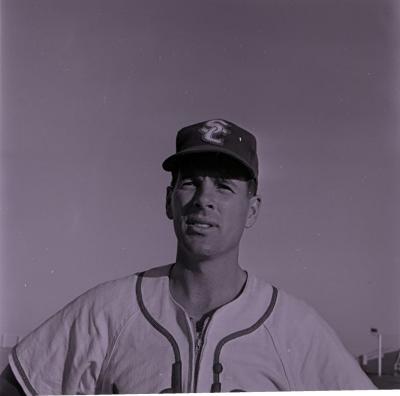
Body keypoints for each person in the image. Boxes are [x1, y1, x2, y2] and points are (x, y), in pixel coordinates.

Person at [0, 119, 376, 394]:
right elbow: (17, 384)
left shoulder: (295, 328)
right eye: (190, 183)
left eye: (224, 186)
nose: (203, 200)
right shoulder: (107, 311)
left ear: (253, 210)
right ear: (169, 201)